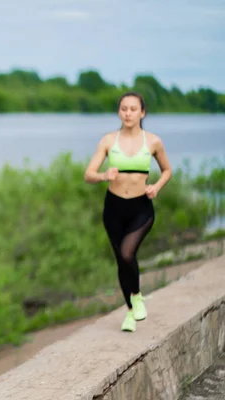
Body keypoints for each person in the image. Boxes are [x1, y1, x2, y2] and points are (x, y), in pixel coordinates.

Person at [84, 91, 172, 332]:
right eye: (124, 109)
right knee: (121, 262)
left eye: (133, 109)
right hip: (113, 209)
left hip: (141, 208)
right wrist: (104, 175)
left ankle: (137, 295)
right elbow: (88, 174)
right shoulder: (108, 141)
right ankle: (132, 311)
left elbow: (167, 170)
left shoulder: (153, 141)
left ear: (142, 113)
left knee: (126, 253)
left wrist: (156, 186)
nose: (128, 113)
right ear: (118, 112)